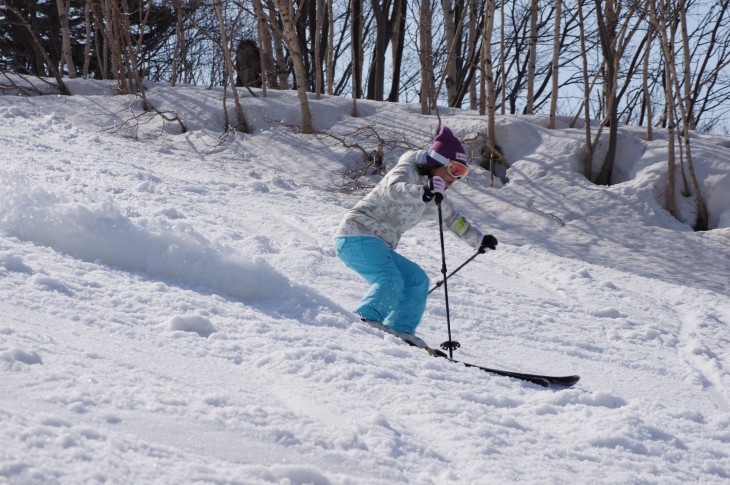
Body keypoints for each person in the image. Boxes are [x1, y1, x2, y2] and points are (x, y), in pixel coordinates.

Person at [334, 125, 498, 336]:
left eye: (462, 174)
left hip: (380, 243)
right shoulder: (409, 168)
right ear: (439, 162)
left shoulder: (434, 193)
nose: (455, 179)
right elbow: (394, 189)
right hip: (355, 234)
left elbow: (452, 219)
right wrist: (423, 192)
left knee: (417, 280)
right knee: (390, 280)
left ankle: (400, 331)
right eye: (455, 170)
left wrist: (479, 240)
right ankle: (365, 322)